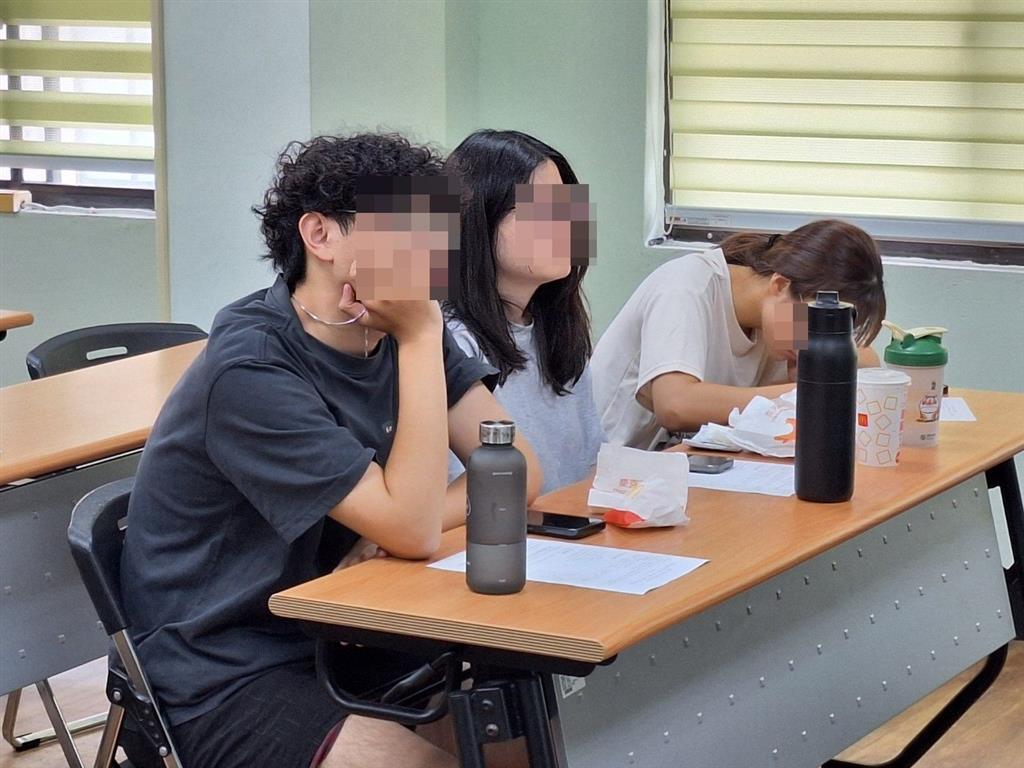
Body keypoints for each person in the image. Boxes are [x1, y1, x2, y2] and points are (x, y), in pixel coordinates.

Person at [119, 133, 541, 768]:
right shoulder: (253, 366)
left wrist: (388, 531)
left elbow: (515, 468)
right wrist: (419, 341)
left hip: (351, 623)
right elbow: (414, 530)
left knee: (522, 723)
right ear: (319, 235)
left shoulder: (400, 325)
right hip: (227, 666)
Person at [592, 219, 886, 449]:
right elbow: (675, 405)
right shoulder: (687, 287)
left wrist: (820, 368)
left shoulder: (780, 320)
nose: (814, 341)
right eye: (814, 324)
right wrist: (804, 391)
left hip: (680, 467)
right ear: (780, 285)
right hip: (608, 469)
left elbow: (868, 361)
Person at [443, 129, 604, 493]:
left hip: (570, 523)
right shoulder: (452, 343)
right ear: (476, 220)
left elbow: (591, 468)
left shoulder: (559, 331)